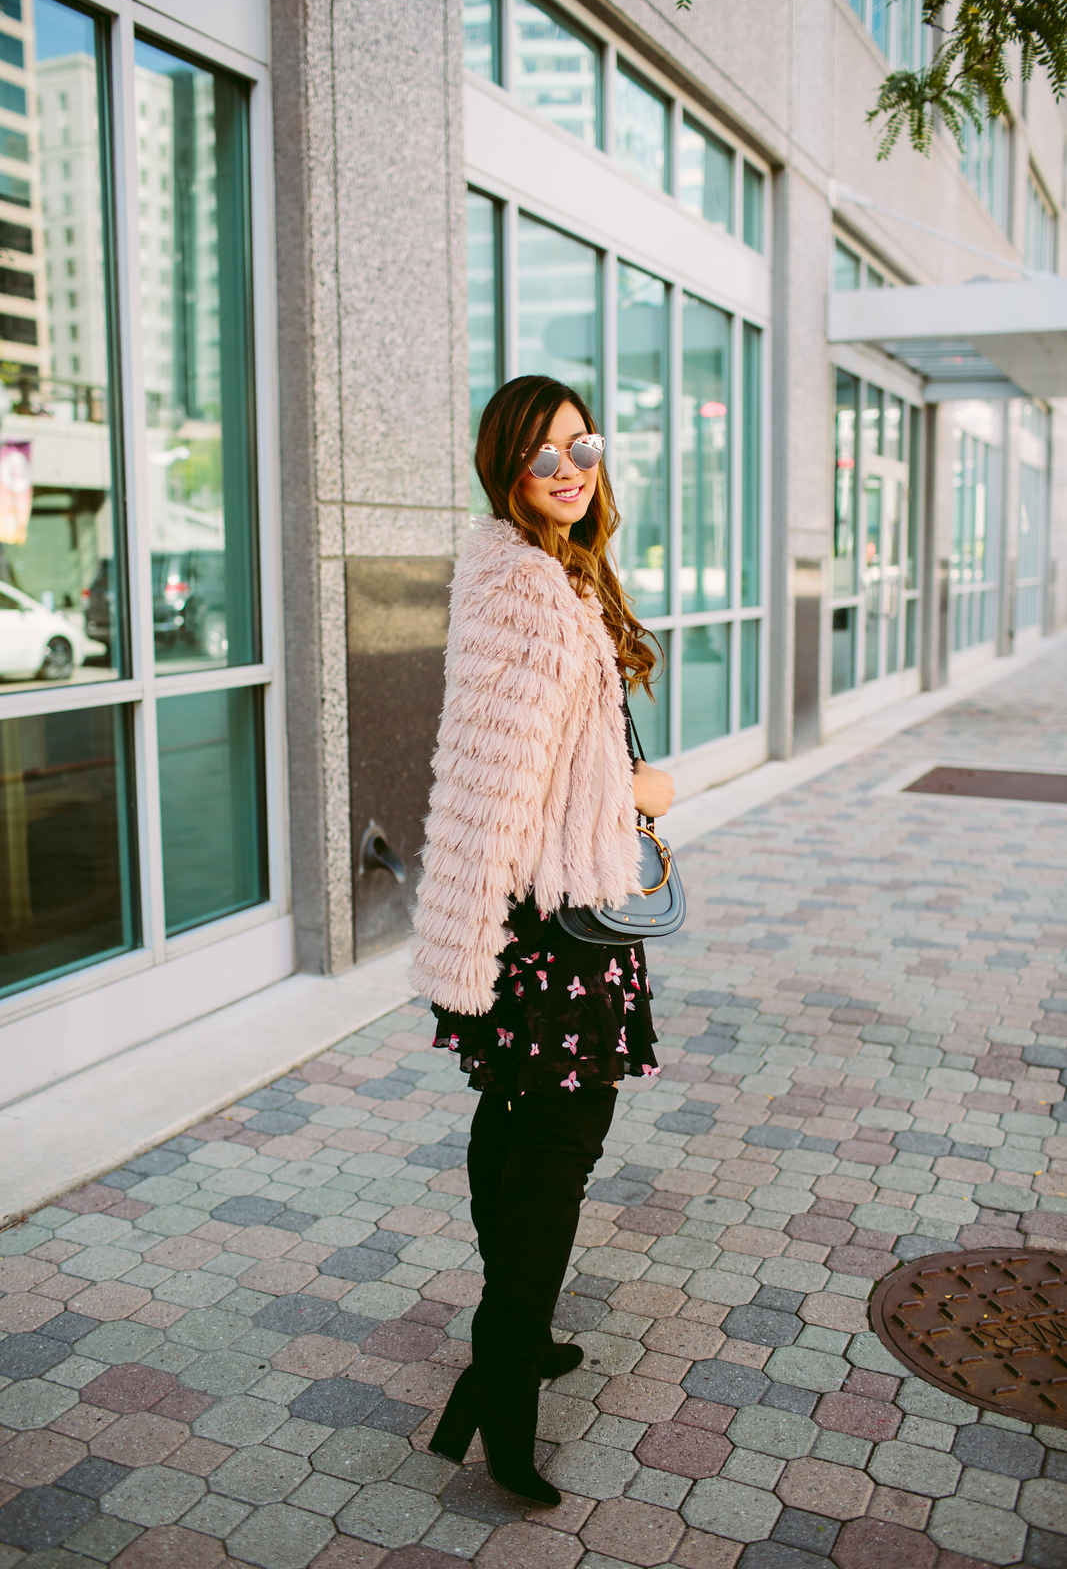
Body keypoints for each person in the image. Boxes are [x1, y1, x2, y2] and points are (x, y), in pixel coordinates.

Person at [411, 374, 675, 1507]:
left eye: (583, 444)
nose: (572, 468)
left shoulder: (553, 568)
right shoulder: (526, 586)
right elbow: (506, 781)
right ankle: (504, 1374)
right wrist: (641, 795)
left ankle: (507, 1344)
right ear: (504, 473)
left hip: (557, 907)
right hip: (554, 920)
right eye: (543, 456)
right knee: (559, 1139)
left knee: (517, 1119)